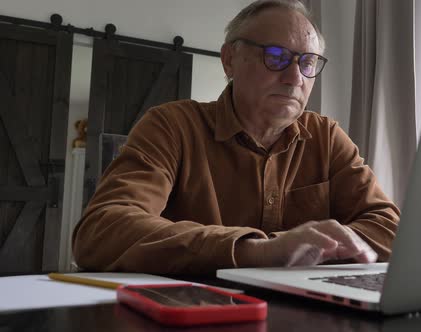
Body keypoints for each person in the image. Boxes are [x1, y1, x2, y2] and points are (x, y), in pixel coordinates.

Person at [72, 0, 400, 275]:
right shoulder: (171, 126)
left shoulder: (326, 137)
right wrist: (256, 251)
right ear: (229, 59)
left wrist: (312, 247)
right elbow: (102, 232)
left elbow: (391, 230)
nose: (294, 78)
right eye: (276, 56)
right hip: (192, 314)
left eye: (308, 62)